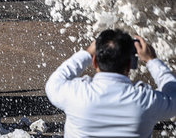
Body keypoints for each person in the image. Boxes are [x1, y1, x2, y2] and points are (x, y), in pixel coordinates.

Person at [45, 29, 176, 137]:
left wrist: (86, 54)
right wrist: (152, 60)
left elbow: (54, 83)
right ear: (129, 64)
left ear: (95, 61)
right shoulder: (146, 100)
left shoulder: (77, 94)